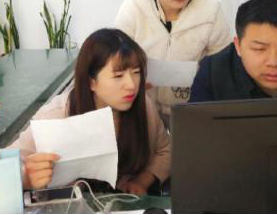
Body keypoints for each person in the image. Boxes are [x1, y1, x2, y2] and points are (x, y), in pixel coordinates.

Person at [10, 28, 171, 196]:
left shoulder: (143, 105)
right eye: (118, 76)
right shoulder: (56, 114)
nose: (131, 85)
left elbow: (165, 150)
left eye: (136, 72)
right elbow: (5, 164)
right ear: (91, 82)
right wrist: (26, 177)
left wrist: (142, 181)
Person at [115, 0, 231, 125]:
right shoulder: (134, 6)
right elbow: (116, 56)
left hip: (193, 104)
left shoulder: (210, 8)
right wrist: (134, 79)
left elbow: (223, 60)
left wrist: (204, 76)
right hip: (142, 104)